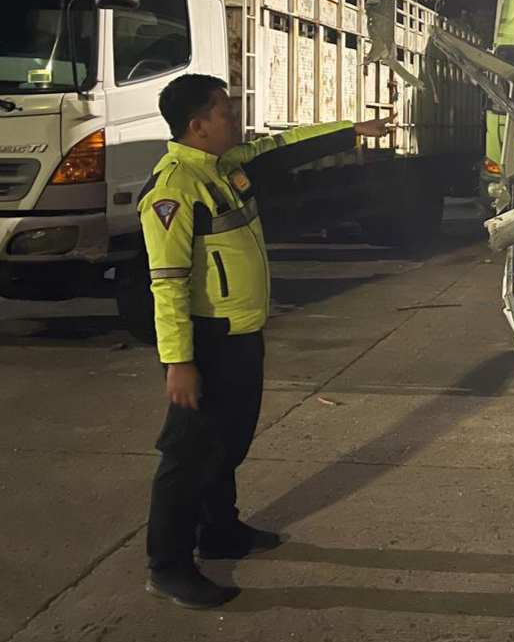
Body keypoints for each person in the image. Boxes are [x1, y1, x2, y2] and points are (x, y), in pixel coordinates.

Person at [138, 74, 393, 608]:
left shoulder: (227, 167)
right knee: (187, 456)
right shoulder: (174, 189)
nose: (234, 119)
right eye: (224, 112)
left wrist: (351, 132)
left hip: (242, 332)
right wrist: (178, 361)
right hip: (209, 340)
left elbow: (284, 147)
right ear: (196, 125)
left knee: (227, 443)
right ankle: (168, 565)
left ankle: (220, 532)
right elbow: (167, 284)